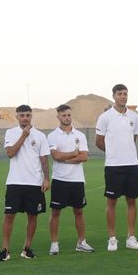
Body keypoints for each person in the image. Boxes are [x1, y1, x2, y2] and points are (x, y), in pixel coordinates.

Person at [95, 84, 138, 251]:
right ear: (114, 96)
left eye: (125, 94)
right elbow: (99, 141)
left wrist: (124, 150)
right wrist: (114, 152)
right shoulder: (105, 117)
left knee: (131, 200)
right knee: (112, 202)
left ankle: (131, 237)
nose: (123, 97)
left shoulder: (134, 117)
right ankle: (112, 238)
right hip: (113, 166)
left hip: (132, 165)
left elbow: (134, 137)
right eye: (120, 94)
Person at [0, 104, 49, 261]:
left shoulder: (40, 136)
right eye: (22, 115)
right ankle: (5, 250)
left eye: (27, 115)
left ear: (31, 116)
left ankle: (27, 248)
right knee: (9, 215)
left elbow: (44, 159)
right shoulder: (11, 133)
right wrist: (23, 136)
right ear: (17, 117)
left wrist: (47, 178)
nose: (25, 118)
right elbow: (10, 153)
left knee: (33, 216)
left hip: (34, 182)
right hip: (15, 181)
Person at [46, 104, 94, 255]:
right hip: (60, 180)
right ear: (58, 117)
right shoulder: (52, 136)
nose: (67, 118)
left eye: (68, 115)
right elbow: (55, 156)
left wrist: (66, 159)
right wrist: (74, 153)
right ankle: (54, 244)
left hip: (77, 179)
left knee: (79, 211)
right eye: (63, 115)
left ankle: (81, 242)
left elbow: (84, 156)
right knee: (55, 212)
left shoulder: (79, 135)